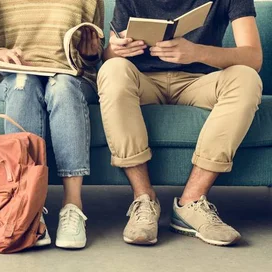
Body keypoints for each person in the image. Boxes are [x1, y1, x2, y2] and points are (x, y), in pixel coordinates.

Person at [99, 0, 263, 246]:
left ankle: (191, 202)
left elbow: (253, 57)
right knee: (112, 70)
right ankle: (143, 199)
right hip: (142, 81)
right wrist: (115, 49)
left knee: (247, 78)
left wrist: (196, 52)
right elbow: (109, 56)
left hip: (199, 82)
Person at [0, 0, 104, 249]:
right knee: (23, 86)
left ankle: (72, 206)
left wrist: (91, 53)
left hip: (70, 78)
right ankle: (28, 206)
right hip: (16, 77)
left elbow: (95, 55)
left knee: (63, 88)